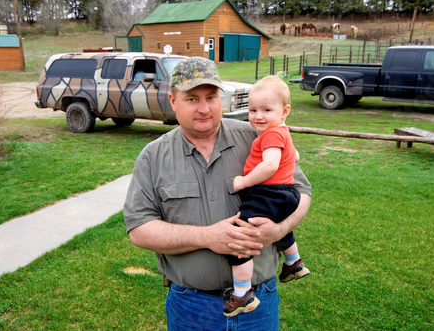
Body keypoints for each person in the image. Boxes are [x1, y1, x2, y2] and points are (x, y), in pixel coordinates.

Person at [124, 57, 312, 330]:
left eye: (211, 97)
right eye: (192, 99)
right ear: (173, 101)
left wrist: (277, 230)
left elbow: (302, 192)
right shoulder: (153, 157)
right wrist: (207, 237)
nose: (204, 109)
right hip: (191, 306)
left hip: (259, 303)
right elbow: (139, 230)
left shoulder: (257, 138)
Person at [223, 75, 310, 317]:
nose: (258, 116)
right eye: (252, 110)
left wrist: (243, 182)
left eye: (266, 109)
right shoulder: (281, 132)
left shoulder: (271, 135)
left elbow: (270, 166)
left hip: (270, 192)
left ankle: (242, 294)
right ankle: (294, 262)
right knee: (271, 223)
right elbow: (295, 157)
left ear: (285, 112)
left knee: (241, 237)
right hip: (285, 195)